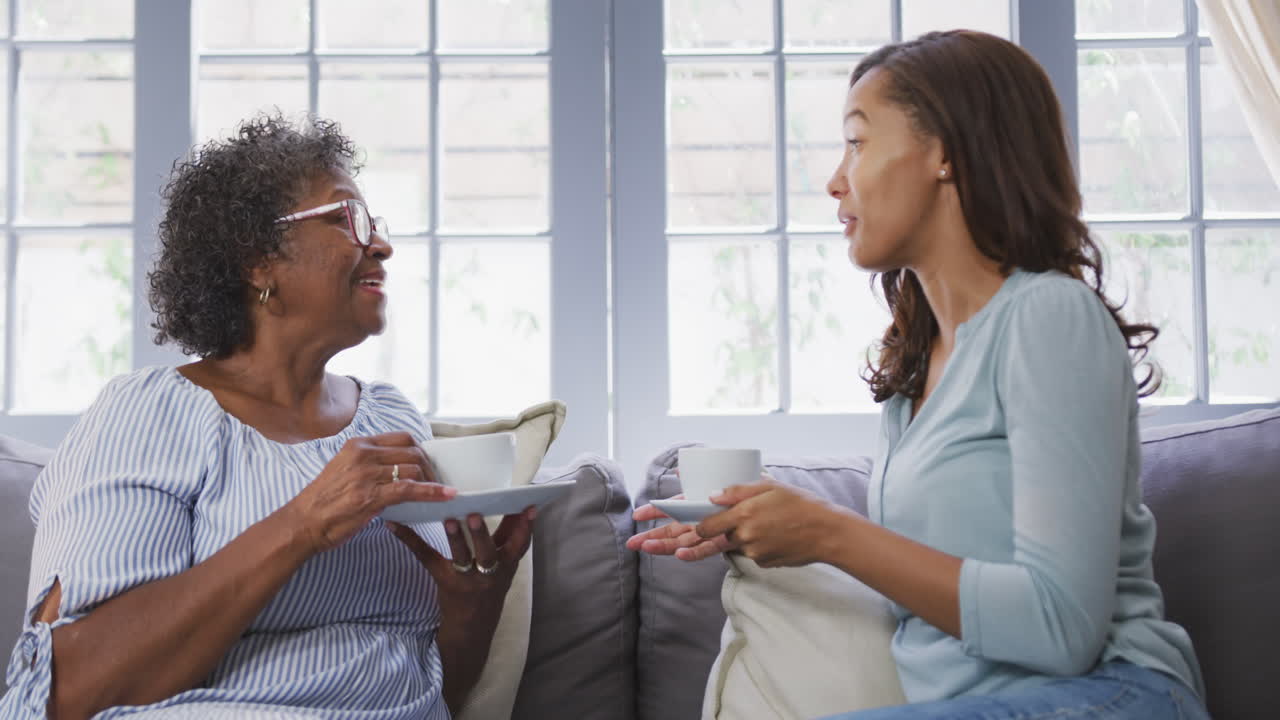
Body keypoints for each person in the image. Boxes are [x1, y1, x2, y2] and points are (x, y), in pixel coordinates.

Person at [628, 30, 1210, 720]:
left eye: (857, 141)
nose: (835, 180)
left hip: (1113, 695)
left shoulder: (1049, 316)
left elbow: (1062, 630)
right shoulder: (915, 369)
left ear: (944, 153)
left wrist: (830, 533)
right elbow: (944, 586)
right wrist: (773, 525)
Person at [1, 114, 534, 720]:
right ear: (257, 259)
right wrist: (302, 525)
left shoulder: (391, 417)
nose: (381, 246)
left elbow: (432, 691)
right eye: (347, 219)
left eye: (376, 225)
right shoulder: (148, 414)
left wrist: (473, 603)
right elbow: (70, 690)